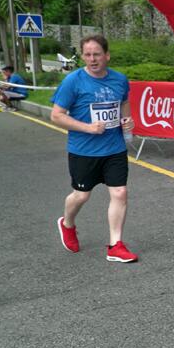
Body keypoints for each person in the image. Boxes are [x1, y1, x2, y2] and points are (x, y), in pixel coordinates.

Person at [50, 35, 138, 263]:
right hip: (83, 150)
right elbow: (56, 116)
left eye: (97, 54)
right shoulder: (73, 81)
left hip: (114, 148)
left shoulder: (119, 80)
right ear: (82, 56)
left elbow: (124, 103)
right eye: (87, 55)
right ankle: (67, 223)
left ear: (107, 55)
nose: (92, 59)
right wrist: (87, 127)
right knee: (81, 195)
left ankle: (115, 245)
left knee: (120, 192)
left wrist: (127, 120)